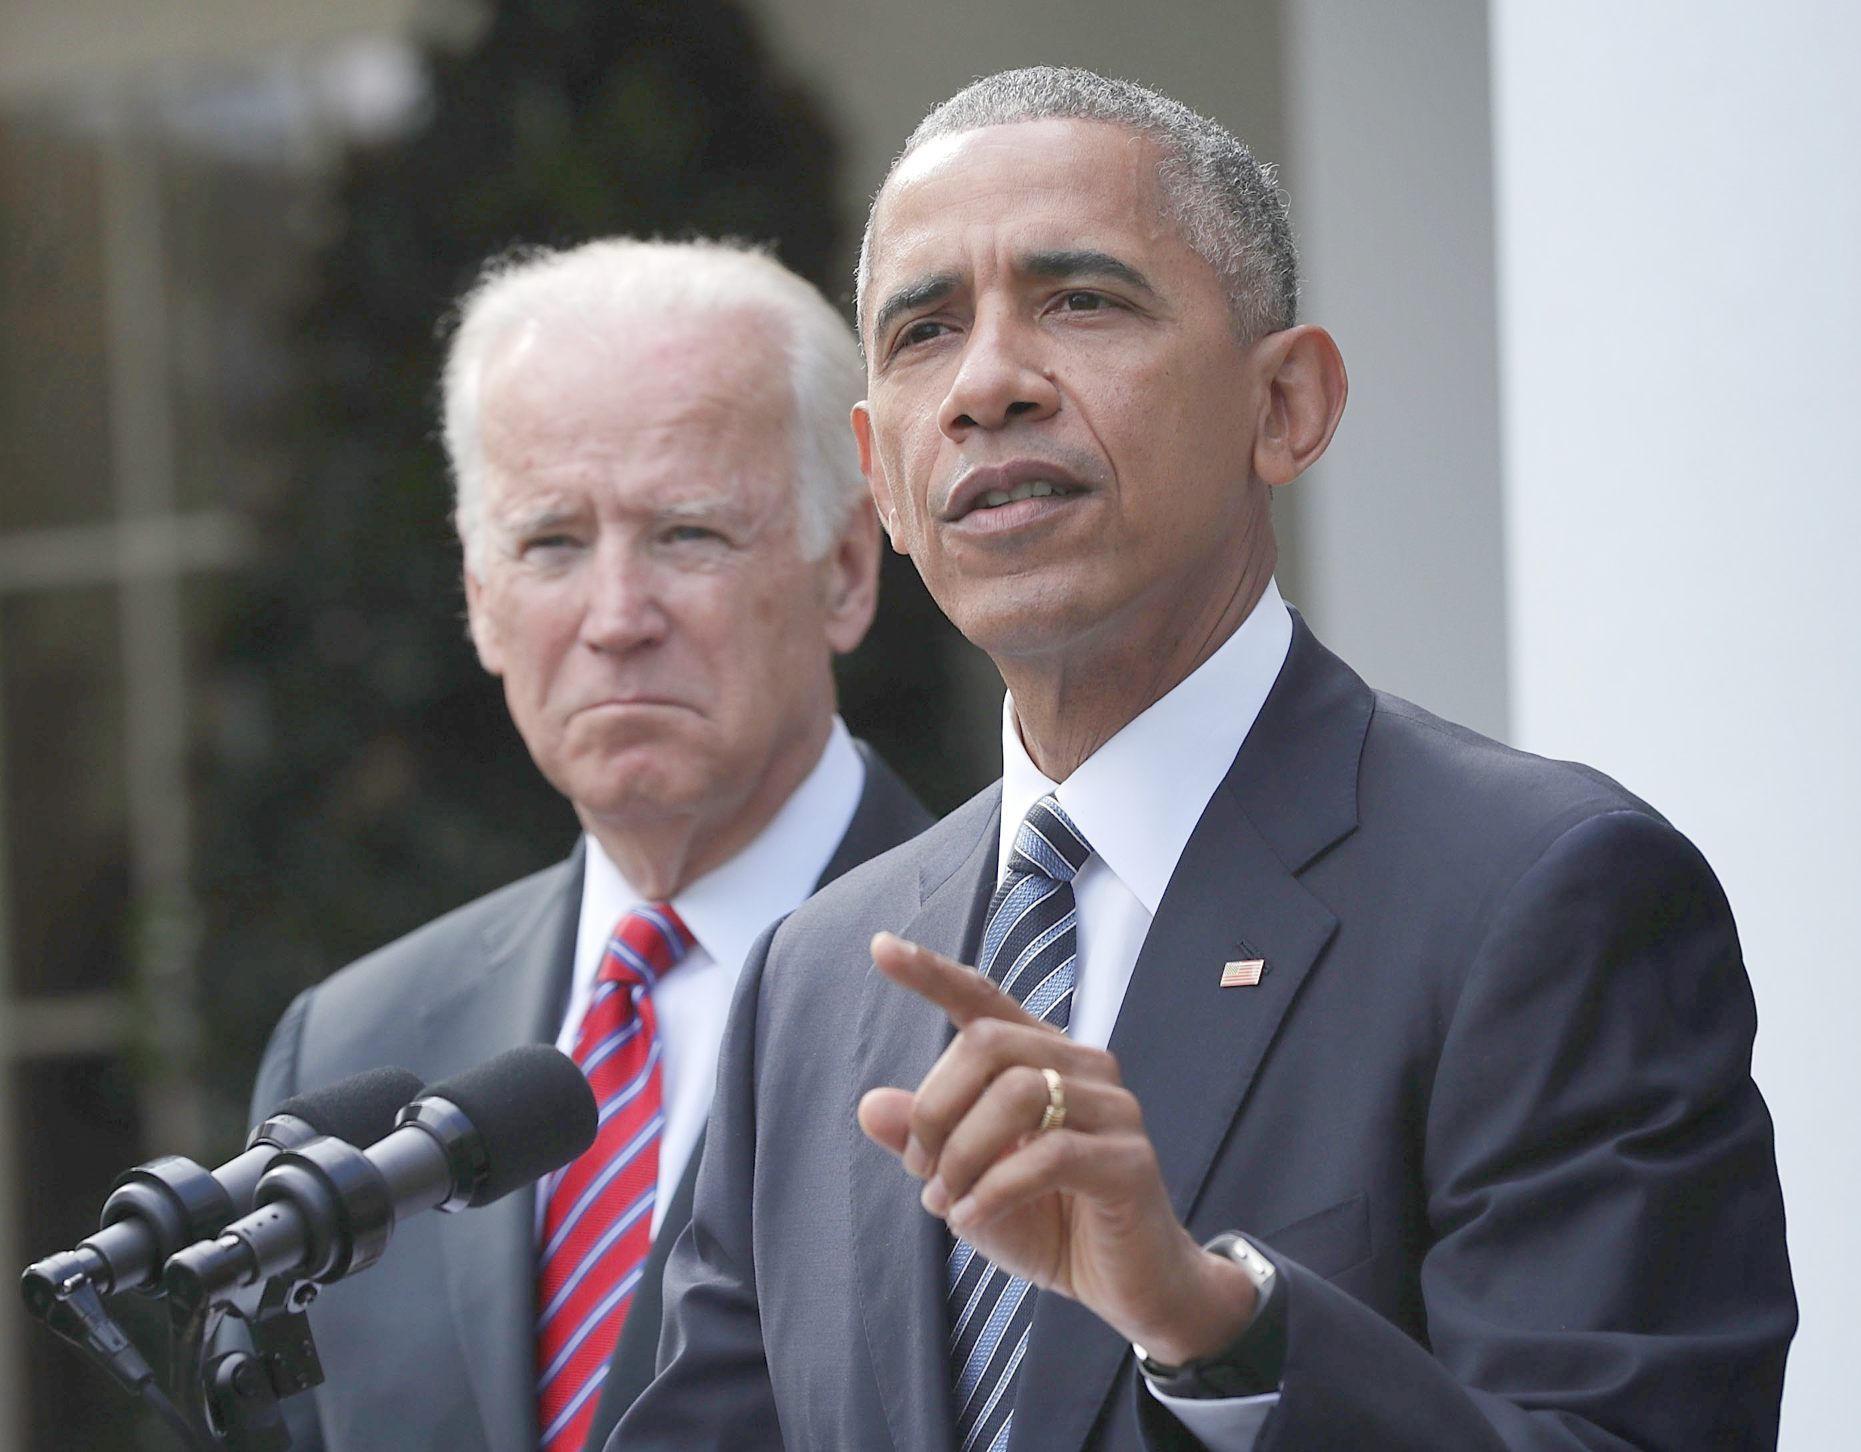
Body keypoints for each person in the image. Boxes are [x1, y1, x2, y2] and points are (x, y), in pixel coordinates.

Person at [606, 68, 1797, 1452]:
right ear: (881, 478)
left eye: (1080, 301)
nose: (986, 385)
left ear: (1286, 404)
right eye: (925, 330)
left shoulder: (1542, 896)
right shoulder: (816, 982)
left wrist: (1223, 1329)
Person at [247, 238, 934, 1452]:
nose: (617, 618)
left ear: (843, 571)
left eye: (687, 533)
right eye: (551, 543)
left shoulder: (1012, 982)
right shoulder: (353, 1044)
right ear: (479, 599)